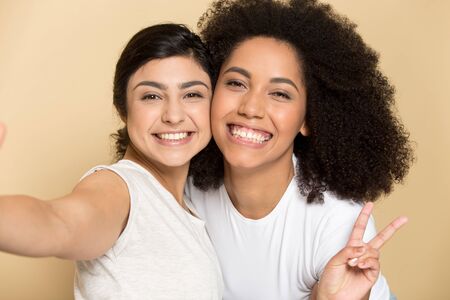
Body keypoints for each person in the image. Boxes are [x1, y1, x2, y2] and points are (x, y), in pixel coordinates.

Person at [186, 0, 414, 299]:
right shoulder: (184, 190)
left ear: (308, 118)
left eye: (280, 93)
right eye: (237, 83)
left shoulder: (338, 221)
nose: (251, 108)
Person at [0, 24, 223, 299]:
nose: (174, 115)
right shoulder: (120, 189)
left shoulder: (188, 208)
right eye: (151, 96)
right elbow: (59, 223)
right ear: (123, 109)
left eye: (192, 94)